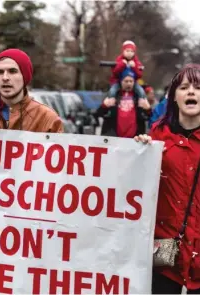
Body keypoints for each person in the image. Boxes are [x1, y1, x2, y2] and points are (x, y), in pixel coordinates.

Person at [135, 64, 200, 294]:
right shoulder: (156, 139)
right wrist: (138, 153)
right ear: (174, 97)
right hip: (165, 252)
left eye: (198, 87)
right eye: (184, 87)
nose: (191, 92)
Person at [0, 48, 63, 137]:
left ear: (25, 76)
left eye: (12, 71)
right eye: (0, 72)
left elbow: (58, 156)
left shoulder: (47, 118)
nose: (5, 78)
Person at [96, 67, 151, 138]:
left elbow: (150, 117)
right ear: (121, 81)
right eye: (126, 81)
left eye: (131, 81)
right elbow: (98, 114)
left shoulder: (139, 97)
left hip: (134, 140)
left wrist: (148, 109)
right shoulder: (112, 95)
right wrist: (104, 106)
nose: (129, 84)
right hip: (114, 138)